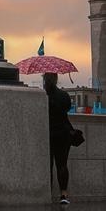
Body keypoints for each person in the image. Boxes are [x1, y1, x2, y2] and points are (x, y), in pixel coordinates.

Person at [44, 73, 76, 204]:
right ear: (56, 79)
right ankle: (63, 194)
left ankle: (48, 193)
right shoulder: (64, 95)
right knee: (62, 164)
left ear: (44, 80)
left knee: (48, 165)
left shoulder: (43, 96)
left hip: (48, 134)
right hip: (63, 133)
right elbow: (67, 108)